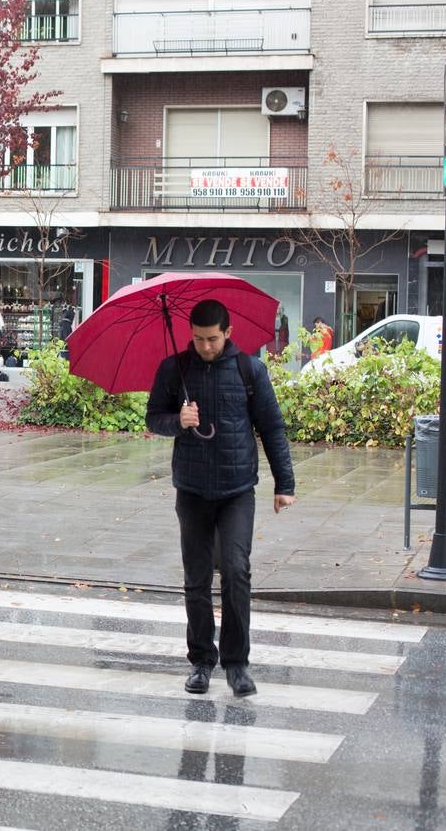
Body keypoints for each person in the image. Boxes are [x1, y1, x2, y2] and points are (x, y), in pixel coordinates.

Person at [145, 299, 296, 698]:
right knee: (196, 578)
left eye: (212, 339)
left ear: (228, 333)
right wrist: (177, 421)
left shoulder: (250, 370)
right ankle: (200, 662)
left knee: (236, 570)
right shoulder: (175, 369)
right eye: (198, 339)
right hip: (192, 489)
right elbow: (153, 418)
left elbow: (272, 428)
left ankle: (236, 663)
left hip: (236, 489)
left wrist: (285, 484)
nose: (206, 346)